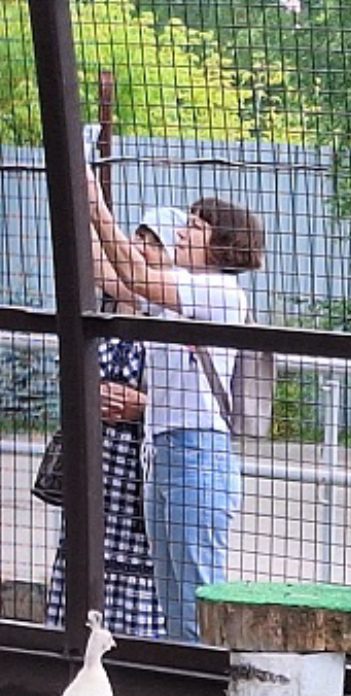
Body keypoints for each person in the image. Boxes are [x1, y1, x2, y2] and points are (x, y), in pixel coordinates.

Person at [84, 181, 265, 643]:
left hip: (198, 455)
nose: (182, 233)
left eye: (195, 227)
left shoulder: (221, 294)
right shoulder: (177, 292)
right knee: (172, 598)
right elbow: (115, 274)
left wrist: (98, 208)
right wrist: (80, 209)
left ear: (223, 245)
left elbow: (137, 276)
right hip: (163, 452)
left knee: (194, 601)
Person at [43, 212, 187, 641]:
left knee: (145, 560)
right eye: (138, 237)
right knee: (84, 551)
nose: (142, 248)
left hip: (142, 466)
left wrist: (141, 406)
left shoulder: (171, 316)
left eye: (155, 243)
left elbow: (189, 400)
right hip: (96, 462)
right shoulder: (100, 316)